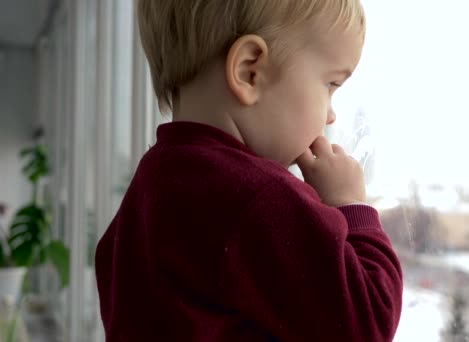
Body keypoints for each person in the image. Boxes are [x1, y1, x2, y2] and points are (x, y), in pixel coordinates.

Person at [95, 1, 403, 340]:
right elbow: (370, 320)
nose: (331, 116)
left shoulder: (150, 185)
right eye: (330, 85)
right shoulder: (259, 197)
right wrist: (351, 206)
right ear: (249, 71)